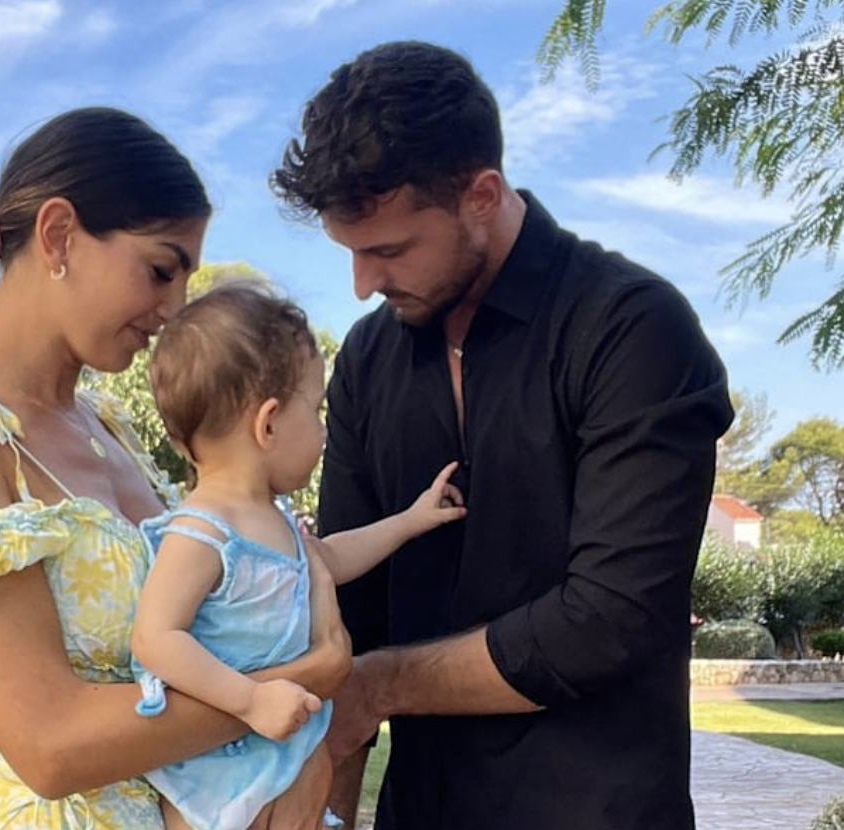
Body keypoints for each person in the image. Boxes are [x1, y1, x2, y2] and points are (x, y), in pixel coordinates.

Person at [271, 41, 735, 830]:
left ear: (482, 195)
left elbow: (607, 621)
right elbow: (345, 620)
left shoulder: (630, 328)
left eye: (388, 250)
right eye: (350, 253)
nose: (363, 284)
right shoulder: (367, 361)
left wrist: (380, 684)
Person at [0, 107, 351, 830]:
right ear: (59, 235)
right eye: (161, 269)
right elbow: (49, 747)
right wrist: (304, 679)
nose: (174, 308)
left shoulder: (108, 427)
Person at [128, 281, 466, 830]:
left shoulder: (274, 520)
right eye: (316, 409)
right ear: (268, 424)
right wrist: (248, 700)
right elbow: (155, 638)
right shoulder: (201, 531)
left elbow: (328, 557)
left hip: (277, 760)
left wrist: (410, 520)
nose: (324, 430)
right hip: (217, 780)